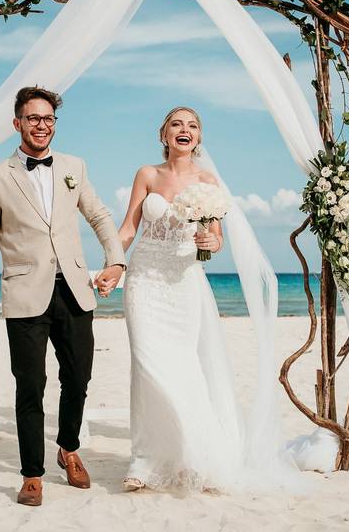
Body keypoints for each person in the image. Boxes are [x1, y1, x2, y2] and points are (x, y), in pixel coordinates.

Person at [0, 86, 126, 506]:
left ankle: (68, 448)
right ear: (17, 123)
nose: (42, 125)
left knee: (79, 379)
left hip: (74, 290)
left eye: (48, 118)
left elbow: (100, 215)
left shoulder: (75, 166)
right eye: (33, 118)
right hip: (24, 295)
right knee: (30, 387)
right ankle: (32, 473)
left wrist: (116, 261)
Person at [105, 106, 243, 492]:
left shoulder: (207, 180)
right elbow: (130, 227)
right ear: (163, 133)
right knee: (146, 364)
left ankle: (190, 454)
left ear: (199, 137)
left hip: (184, 283)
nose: (185, 130)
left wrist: (210, 241)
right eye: (177, 124)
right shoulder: (147, 174)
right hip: (144, 279)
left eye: (193, 125)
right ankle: (144, 459)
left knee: (183, 367)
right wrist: (112, 264)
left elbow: (217, 238)